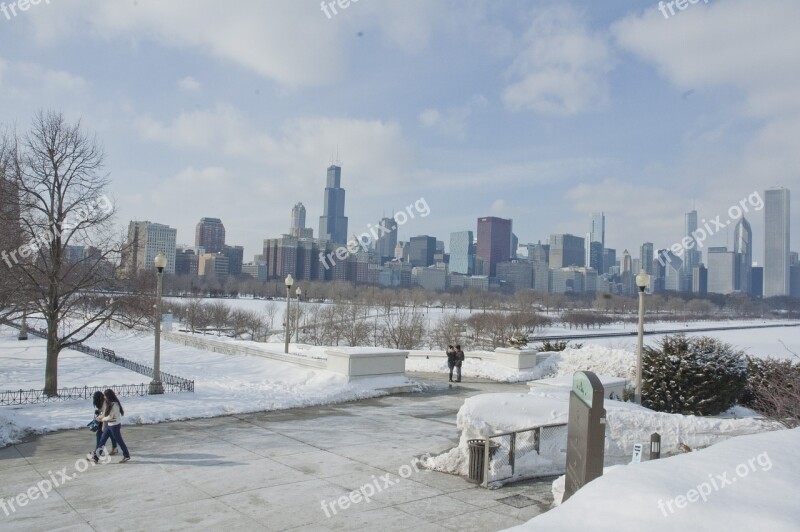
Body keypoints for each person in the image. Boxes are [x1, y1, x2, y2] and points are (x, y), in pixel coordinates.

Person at [95, 389, 131, 463]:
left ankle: (126, 455)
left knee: (119, 441)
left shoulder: (114, 405)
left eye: (105, 395)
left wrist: (102, 420)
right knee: (102, 441)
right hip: (109, 426)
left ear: (108, 396)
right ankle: (96, 458)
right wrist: (99, 417)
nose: (104, 397)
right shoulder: (110, 403)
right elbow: (105, 413)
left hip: (114, 426)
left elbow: (109, 417)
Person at [92, 391, 118, 456]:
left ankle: (97, 452)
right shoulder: (102, 401)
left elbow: (105, 413)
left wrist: (98, 418)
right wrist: (98, 411)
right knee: (110, 434)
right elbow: (103, 411)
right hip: (105, 420)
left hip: (108, 420)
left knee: (100, 435)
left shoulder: (105, 402)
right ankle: (114, 448)